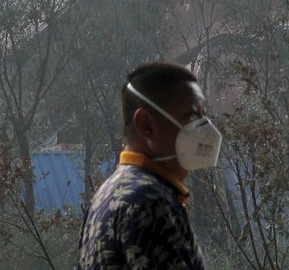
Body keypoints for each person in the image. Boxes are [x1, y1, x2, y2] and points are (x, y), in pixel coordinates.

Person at [78, 61, 222, 269]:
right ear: (146, 125)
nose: (205, 127)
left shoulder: (109, 194)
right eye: (191, 115)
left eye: (203, 114)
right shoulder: (149, 201)